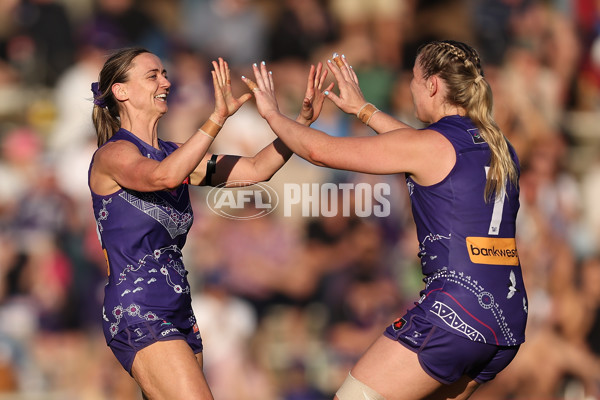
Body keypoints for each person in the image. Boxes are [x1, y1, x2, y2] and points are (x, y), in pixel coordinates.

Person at [244, 40, 528, 399]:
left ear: (433, 84)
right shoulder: (498, 143)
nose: (408, 87)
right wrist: (363, 110)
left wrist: (272, 115)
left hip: (455, 315)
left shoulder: (430, 146)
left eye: (412, 77)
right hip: (507, 321)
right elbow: (416, 147)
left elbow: (320, 150)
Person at [88, 47, 330, 399]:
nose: (166, 82)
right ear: (121, 91)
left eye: (165, 73)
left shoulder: (177, 153)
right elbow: (164, 177)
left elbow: (255, 169)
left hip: (179, 308)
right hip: (138, 309)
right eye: (152, 75)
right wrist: (217, 117)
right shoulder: (115, 153)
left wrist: (299, 124)